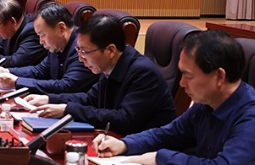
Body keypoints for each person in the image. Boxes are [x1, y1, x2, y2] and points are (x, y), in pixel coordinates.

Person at [94, 30, 255, 165]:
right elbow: (167, 135)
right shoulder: (206, 104)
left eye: (188, 76)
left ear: (219, 76)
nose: (181, 84)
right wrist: (125, 144)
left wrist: (160, 157)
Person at [26, 12, 175, 134]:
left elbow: (124, 120)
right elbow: (89, 99)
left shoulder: (143, 73)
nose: (80, 58)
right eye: (78, 50)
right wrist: (49, 99)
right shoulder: (111, 66)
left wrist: (67, 109)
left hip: (146, 151)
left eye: (85, 52)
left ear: (110, 50)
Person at [0, 1, 95, 95]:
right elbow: (39, 70)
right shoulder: (57, 44)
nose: (41, 41)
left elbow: (67, 86)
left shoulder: (82, 48)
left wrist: (17, 81)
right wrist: (7, 71)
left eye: (42, 35)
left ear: (61, 28)